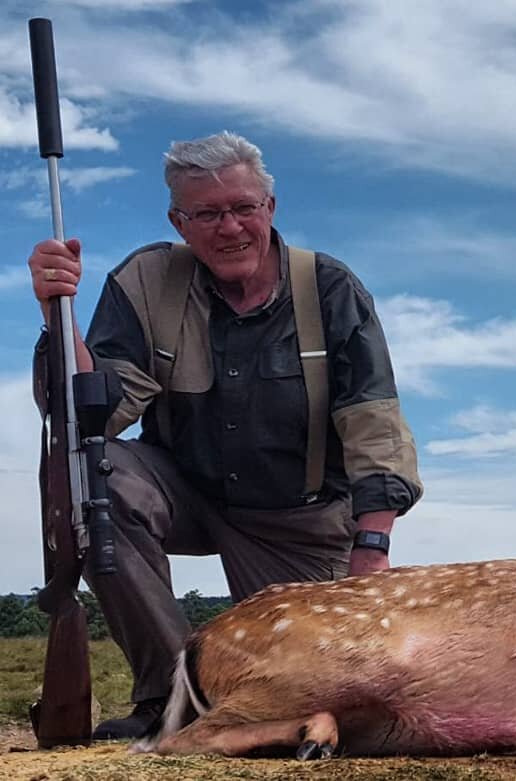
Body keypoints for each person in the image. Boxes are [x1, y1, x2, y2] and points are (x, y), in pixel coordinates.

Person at [28, 131, 422, 739]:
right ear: (178, 222)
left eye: (242, 208)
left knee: (327, 696)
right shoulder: (145, 280)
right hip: (186, 492)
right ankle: (171, 699)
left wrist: (371, 546)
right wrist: (58, 312)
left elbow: (373, 419)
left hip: (298, 517)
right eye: (206, 213)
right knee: (98, 473)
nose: (229, 227)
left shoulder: (329, 287)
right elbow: (92, 413)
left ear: (269, 207)